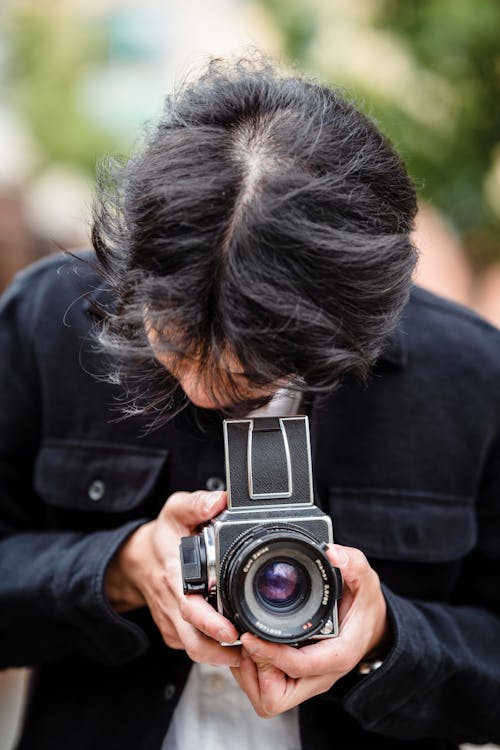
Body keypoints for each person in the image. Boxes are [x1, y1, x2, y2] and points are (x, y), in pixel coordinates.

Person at [1, 57, 499, 750]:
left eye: (253, 370)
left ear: (353, 318)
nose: (204, 390)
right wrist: (117, 570)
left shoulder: (472, 377)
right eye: (174, 344)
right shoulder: (46, 320)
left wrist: (386, 639)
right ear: (133, 273)